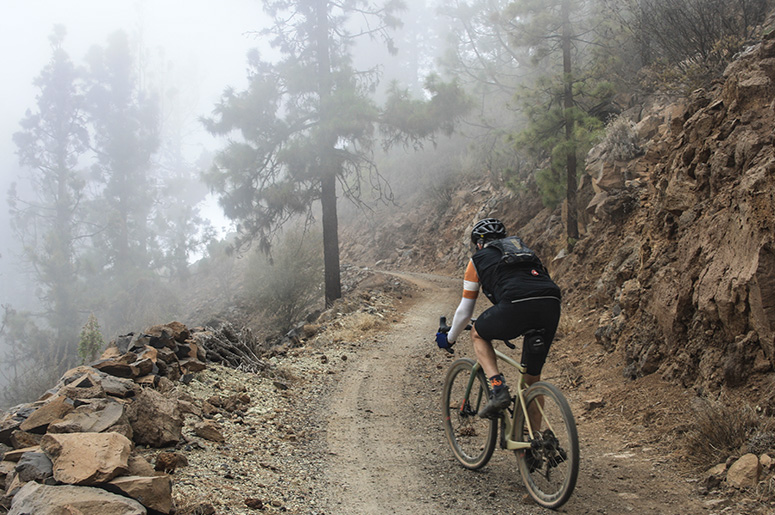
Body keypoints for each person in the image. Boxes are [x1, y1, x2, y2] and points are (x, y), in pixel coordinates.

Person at [435, 218, 561, 419]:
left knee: (478, 333)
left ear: (478, 244)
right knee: (532, 382)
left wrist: (449, 338)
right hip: (551, 304)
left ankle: (497, 388)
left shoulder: (478, 259)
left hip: (515, 305)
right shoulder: (524, 251)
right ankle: (533, 445)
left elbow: (466, 311)